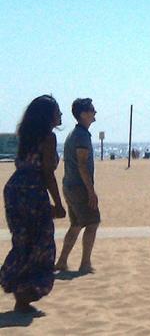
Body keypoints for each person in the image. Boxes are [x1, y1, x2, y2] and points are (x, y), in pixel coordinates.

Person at [1, 96, 67, 314]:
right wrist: (58, 204)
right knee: (41, 245)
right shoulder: (48, 138)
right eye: (58, 111)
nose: (60, 116)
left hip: (14, 189)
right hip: (32, 192)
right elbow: (48, 173)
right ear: (48, 115)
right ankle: (23, 295)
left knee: (22, 243)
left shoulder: (26, 136)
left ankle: (21, 295)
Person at [55, 98, 101, 274]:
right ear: (83, 114)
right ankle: (85, 264)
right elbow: (82, 165)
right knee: (93, 222)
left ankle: (61, 261)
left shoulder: (76, 134)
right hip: (78, 187)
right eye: (92, 110)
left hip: (70, 185)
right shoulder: (80, 135)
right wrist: (91, 192)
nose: (95, 113)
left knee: (76, 224)